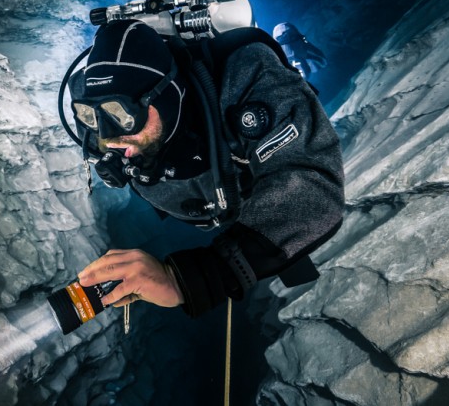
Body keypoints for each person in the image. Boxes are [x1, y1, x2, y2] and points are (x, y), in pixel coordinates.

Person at [68, 17, 344, 317]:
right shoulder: (94, 128)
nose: (107, 136)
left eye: (122, 114)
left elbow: (310, 181)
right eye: (92, 115)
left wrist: (195, 277)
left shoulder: (245, 76)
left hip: (249, 187)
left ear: (165, 96)